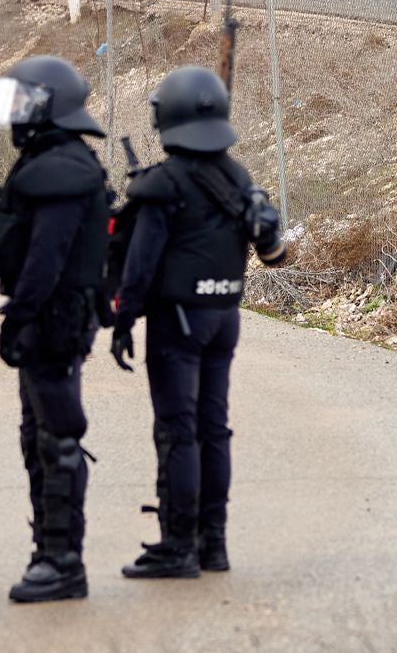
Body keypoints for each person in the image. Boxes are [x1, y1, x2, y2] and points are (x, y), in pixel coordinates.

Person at [111, 66, 287, 580]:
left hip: (178, 322)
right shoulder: (238, 176)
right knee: (214, 430)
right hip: (224, 316)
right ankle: (214, 544)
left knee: (177, 432)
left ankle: (178, 547)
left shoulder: (163, 183)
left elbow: (141, 264)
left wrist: (123, 319)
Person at [0, 56, 110, 603]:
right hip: (47, 316)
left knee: (57, 439)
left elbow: (47, 256)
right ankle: (49, 554)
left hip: (54, 319)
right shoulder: (54, 160)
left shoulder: (62, 167)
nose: (14, 116)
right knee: (37, 438)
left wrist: (21, 314)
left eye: (22, 103)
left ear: (48, 106)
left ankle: (63, 562)